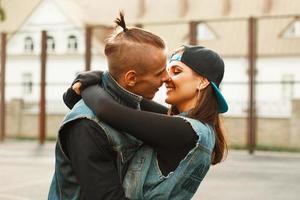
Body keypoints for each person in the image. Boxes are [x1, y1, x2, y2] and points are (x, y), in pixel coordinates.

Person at [66, 45, 229, 199]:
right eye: (167, 71)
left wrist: (89, 83)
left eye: (176, 71)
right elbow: (128, 99)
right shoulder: (194, 129)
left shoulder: (184, 131)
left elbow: (107, 110)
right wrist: (100, 78)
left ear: (202, 82)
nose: (166, 79)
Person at [48, 12, 169, 200]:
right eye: (159, 73)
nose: (166, 78)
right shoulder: (87, 127)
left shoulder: (131, 105)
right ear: (131, 78)